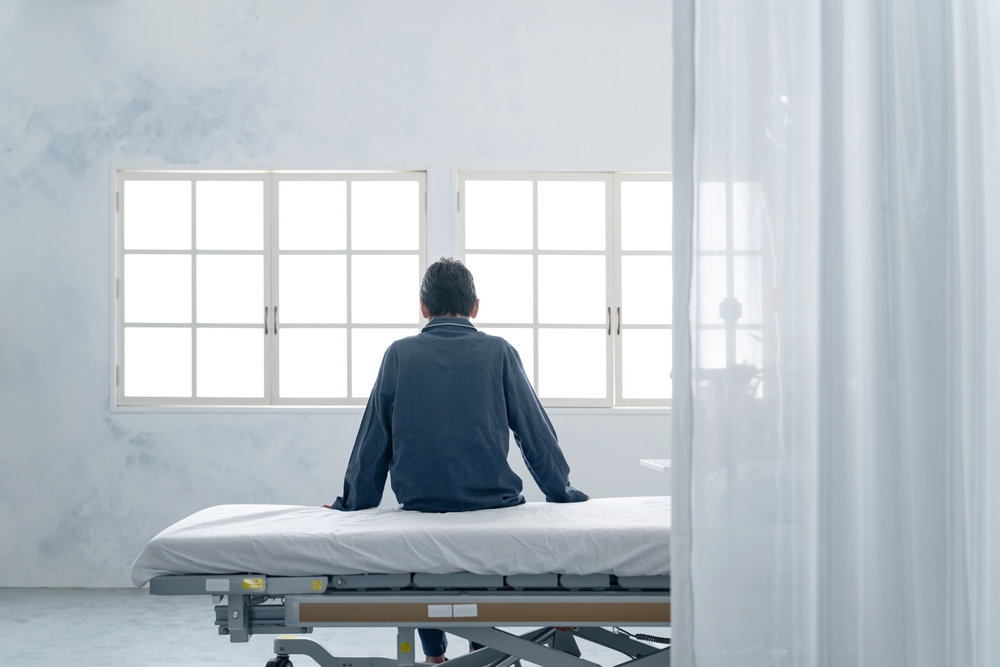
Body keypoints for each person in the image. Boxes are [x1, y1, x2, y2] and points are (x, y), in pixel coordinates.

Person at [326, 257, 588, 663]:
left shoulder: (399, 354)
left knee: (425, 558)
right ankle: (482, 650)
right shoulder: (499, 351)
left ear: (423, 307)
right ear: (476, 307)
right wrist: (563, 494)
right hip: (492, 502)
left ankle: (434, 656)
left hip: (422, 502)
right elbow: (535, 434)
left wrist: (352, 505)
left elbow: (374, 441)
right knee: (485, 563)